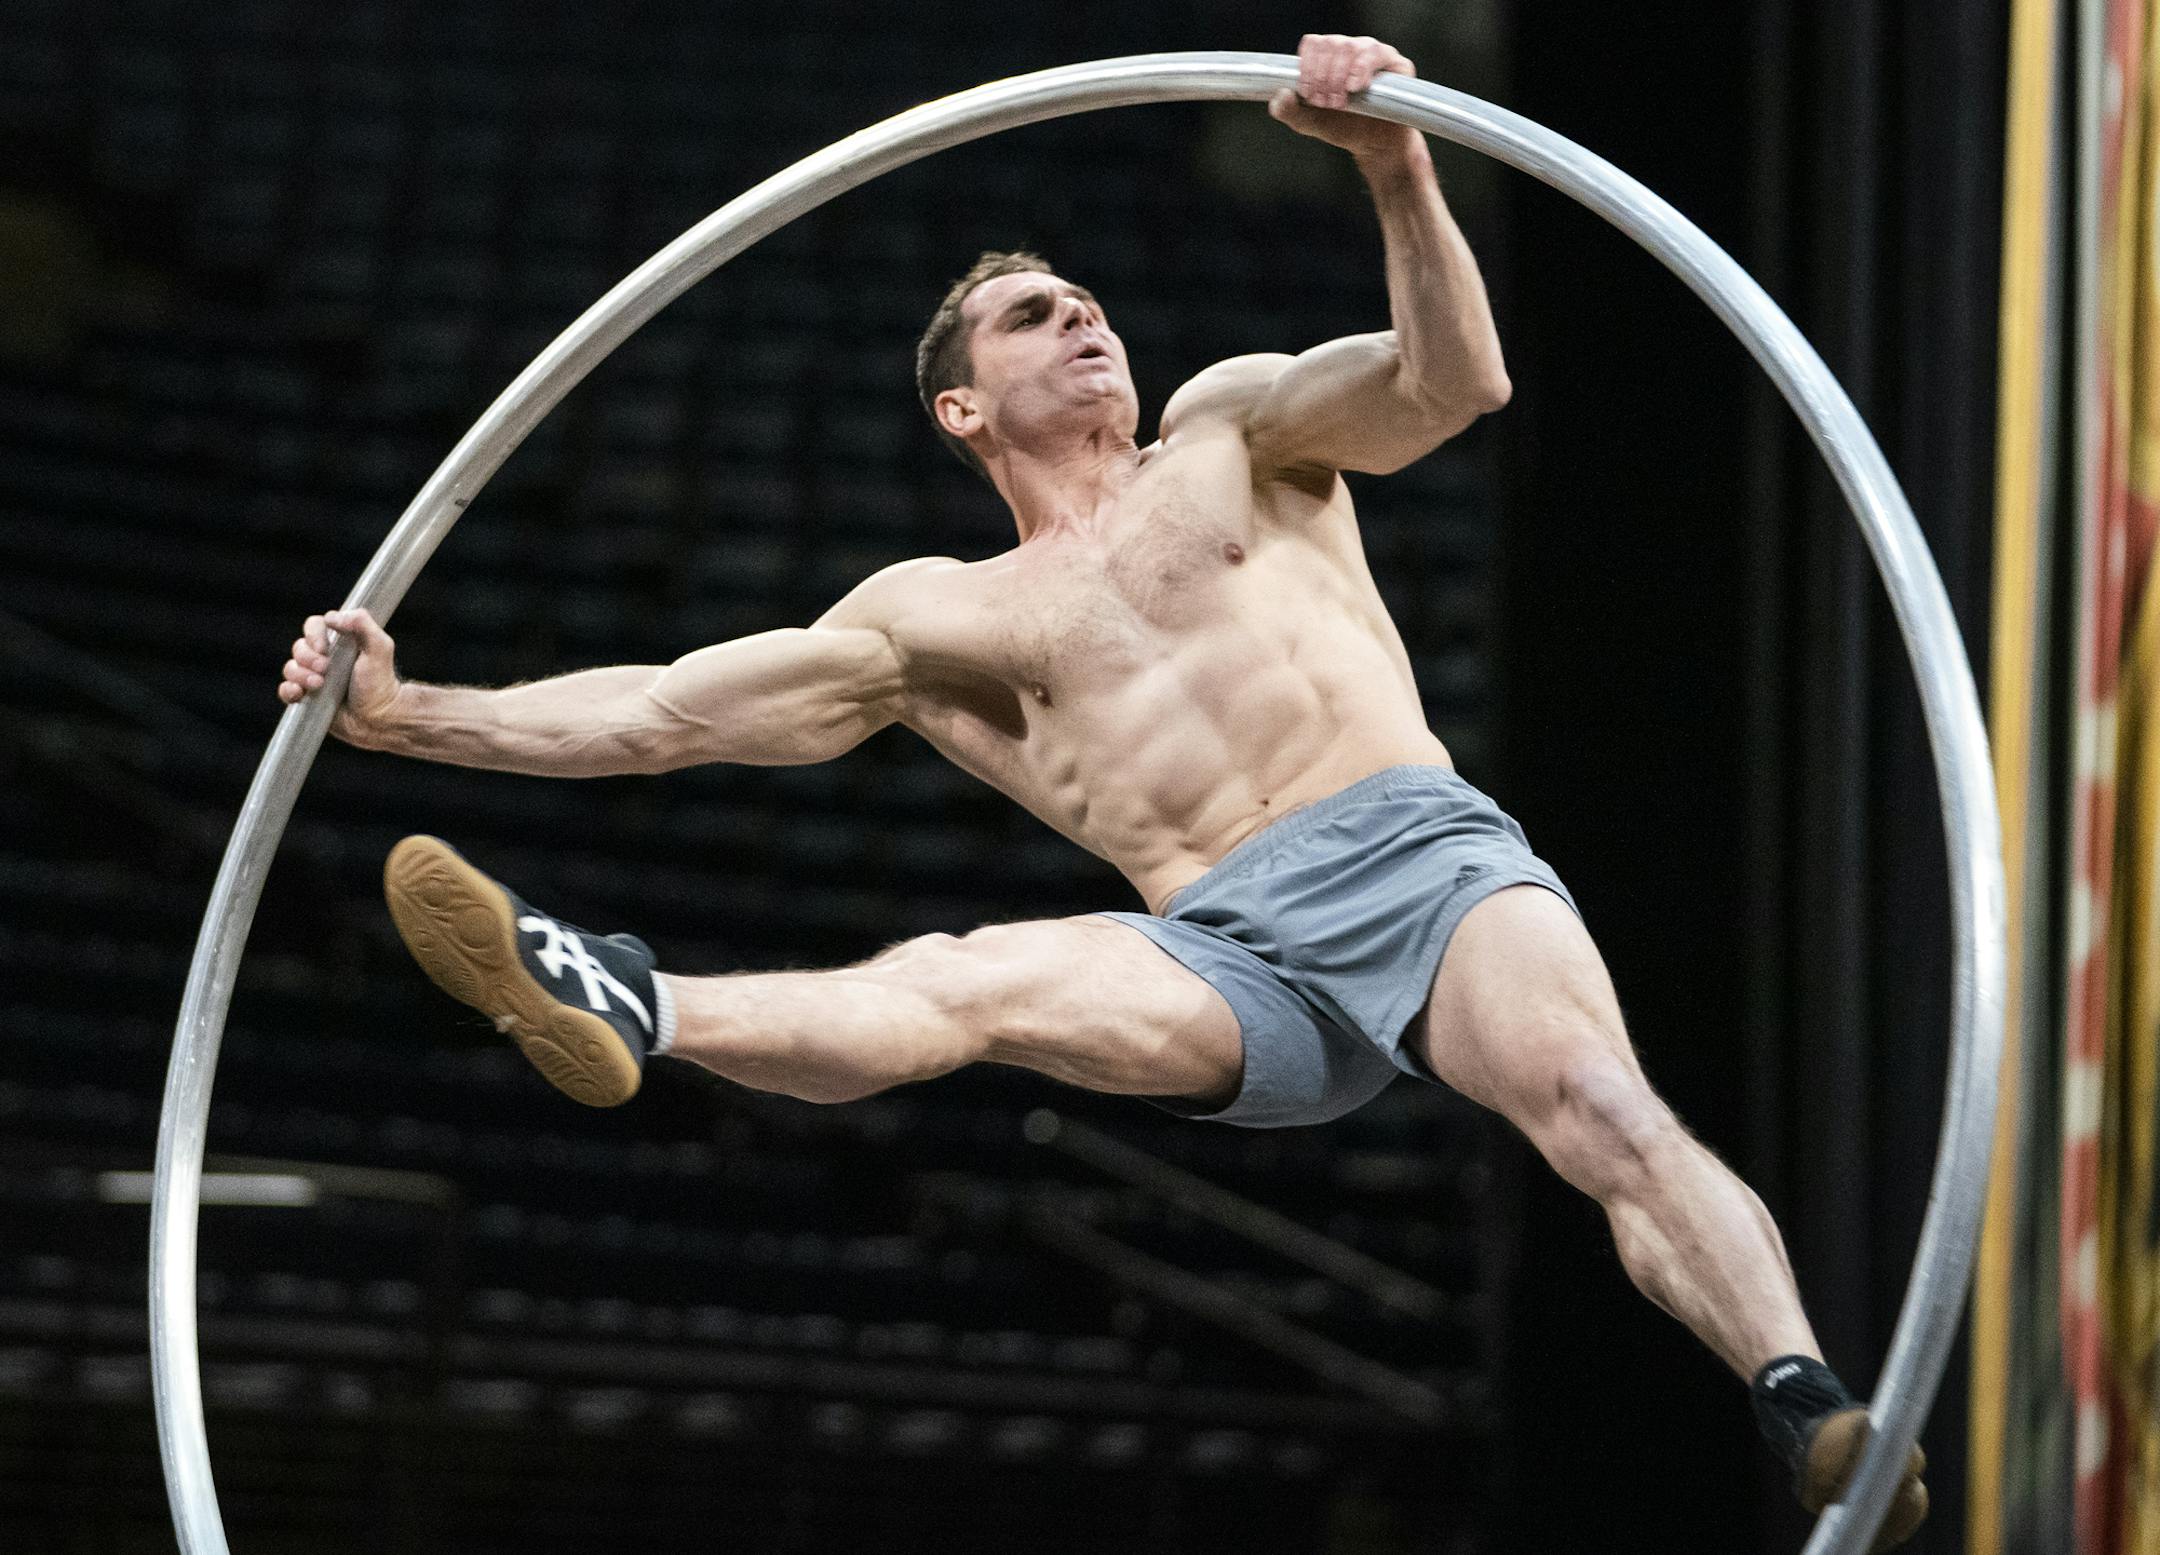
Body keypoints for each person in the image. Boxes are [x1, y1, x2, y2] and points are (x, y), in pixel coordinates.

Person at [277, 34, 1925, 1549]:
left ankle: (1807, 1402)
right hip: (1218, 949)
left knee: (1600, 1112)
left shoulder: (1232, 433)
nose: (1086, 320)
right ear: (962, 406)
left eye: (1089, 303)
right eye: (1034, 316)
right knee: (960, 981)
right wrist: (411, 716)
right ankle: (624, 1001)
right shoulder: (935, 617)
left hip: (1416, 863)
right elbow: (654, 714)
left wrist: (1394, 164)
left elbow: (1451, 386)